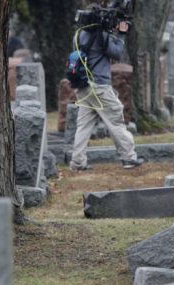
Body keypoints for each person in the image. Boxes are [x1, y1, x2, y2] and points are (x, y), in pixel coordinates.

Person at [69, 17, 145, 171]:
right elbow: (117, 53)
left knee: (83, 126)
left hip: (83, 86)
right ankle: (129, 158)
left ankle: (77, 162)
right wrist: (120, 35)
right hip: (100, 86)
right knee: (116, 121)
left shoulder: (78, 34)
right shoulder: (101, 35)